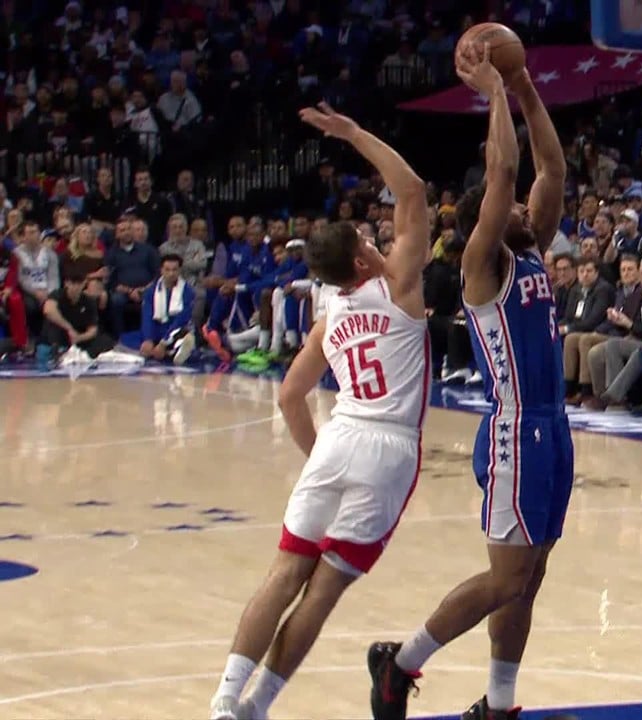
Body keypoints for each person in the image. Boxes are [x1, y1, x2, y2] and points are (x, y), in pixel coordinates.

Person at [207, 103, 434, 720]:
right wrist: (354, 133)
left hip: (338, 436)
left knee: (284, 574)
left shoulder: (329, 312)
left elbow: (289, 396)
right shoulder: (400, 287)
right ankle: (258, 706)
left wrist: (318, 456)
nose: (375, 239)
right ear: (361, 261)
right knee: (322, 591)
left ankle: (224, 701)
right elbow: (412, 191)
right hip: (387, 447)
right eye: (366, 240)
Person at [368, 42, 571, 720]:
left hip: (553, 426)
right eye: (511, 209)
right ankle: (400, 663)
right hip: (514, 429)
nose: (527, 212)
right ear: (486, 220)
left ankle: (499, 704)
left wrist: (525, 85)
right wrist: (494, 92)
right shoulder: (485, 263)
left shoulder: (531, 248)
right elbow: (507, 169)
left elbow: (550, 167)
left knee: (530, 578)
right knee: (507, 577)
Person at [138, 254, 197, 364]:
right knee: (134, 342)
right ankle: (167, 352)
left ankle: (174, 350)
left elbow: (181, 320)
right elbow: (147, 316)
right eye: (167, 270)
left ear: (180, 271)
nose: (171, 273)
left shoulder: (188, 291)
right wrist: (148, 339)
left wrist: (163, 343)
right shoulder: (151, 291)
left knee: (185, 336)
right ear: (161, 270)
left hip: (175, 331)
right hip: (157, 330)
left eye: (174, 270)